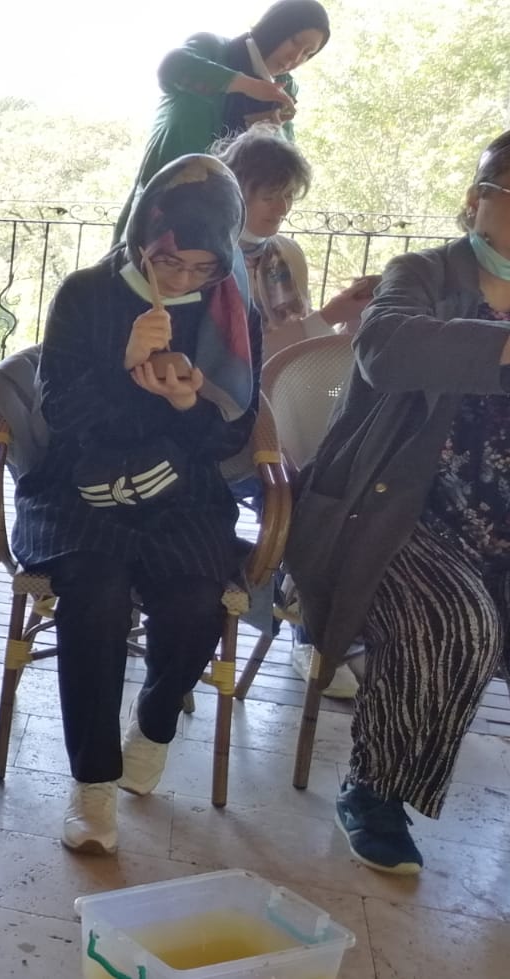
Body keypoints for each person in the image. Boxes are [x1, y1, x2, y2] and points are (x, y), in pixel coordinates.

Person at [15, 155, 261, 855]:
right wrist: (125, 365)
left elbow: (232, 434)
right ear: (141, 239)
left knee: (196, 598)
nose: (182, 280)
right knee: (95, 594)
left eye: (201, 267)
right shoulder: (87, 292)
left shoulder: (231, 308)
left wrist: (186, 403)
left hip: (182, 486)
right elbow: (62, 414)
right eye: (168, 261)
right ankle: (92, 782)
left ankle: (154, 721)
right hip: (81, 484)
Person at [287, 130, 510, 876]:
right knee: (458, 623)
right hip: (399, 512)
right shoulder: (422, 274)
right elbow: (385, 349)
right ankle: (374, 787)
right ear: (479, 201)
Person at [215, 123, 376, 698]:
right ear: (236, 190)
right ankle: (311, 628)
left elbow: (289, 351)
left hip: (277, 406)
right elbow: (237, 358)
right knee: (298, 495)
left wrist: (344, 318)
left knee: (350, 484)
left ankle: (323, 623)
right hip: (223, 419)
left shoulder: (284, 256)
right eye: (270, 194)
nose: (281, 207)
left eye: (288, 195)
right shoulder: (205, 259)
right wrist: (329, 318)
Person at [114, 1, 331, 238]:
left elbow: (285, 167)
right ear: (275, 27)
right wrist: (250, 86)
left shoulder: (286, 88)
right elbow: (172, 67)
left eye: (308, 53)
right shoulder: (212, 49)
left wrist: (269, 132)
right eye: (295, 42)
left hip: (229, 222)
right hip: (166, 199)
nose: (296, 57)